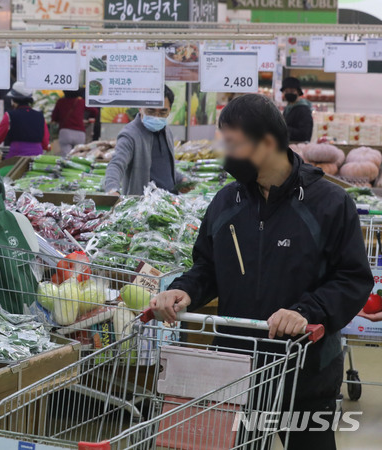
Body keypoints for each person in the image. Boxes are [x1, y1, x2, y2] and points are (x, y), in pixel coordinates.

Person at [151, 94, 372, 450]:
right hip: (237, 372)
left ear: (268, 143)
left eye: (235, 145)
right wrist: (185, 290)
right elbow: (207, 266)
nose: (227, 155)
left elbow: (353, 279)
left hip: (306, 373)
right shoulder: (226, 202)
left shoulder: (330, 204)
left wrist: (305, 312)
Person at [105, 86, 186, 195]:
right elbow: (116, 164)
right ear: (140, 107)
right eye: (151, 111)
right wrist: (112, 189)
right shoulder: (130, 134)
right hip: (143, 206)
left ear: (169, 110)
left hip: (169, 203)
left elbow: (162, 167)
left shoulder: (167, 132)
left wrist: (181, 180)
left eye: (162, 112)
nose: (156, 117)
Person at [0, 82, 49, 158]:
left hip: (16, 156)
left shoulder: (9, 115)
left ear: (13, 100)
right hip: (37, 157)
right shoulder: (40, 116)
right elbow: (45, 142)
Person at [51, 88, 98, 155]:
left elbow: (54, 118)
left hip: (65, 132)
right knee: (78, 155)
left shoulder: (60, 102)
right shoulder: (81, 102)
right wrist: (89, 119)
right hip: (80, 133)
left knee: (66, 156)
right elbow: (95, 111)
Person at [281, 77, 314, 143]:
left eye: (292, 91)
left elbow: (304, 134)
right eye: (286, 91)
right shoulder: (288, 108)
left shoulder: (303, 110)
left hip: (299, 148)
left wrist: (282, 129)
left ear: (298, 92)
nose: (289, 93)